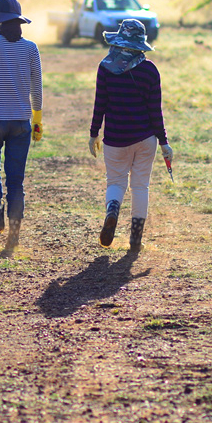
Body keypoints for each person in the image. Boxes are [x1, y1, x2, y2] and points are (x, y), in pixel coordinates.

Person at [88, 19, 171, 251]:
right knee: (140, 186)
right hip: (145, 139)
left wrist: (94, 133)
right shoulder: (150, 70)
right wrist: (164, 142)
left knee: (115, 182)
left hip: (115, 138)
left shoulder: (104, 67)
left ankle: (112, 209)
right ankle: (136, 239)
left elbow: (100, 104)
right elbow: (156, 111)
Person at [0, 0, 42, 247]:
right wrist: (38, 118)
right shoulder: (31, 48)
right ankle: (14, 229)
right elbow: (37, 87)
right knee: (16, 178)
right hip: (21, 122)